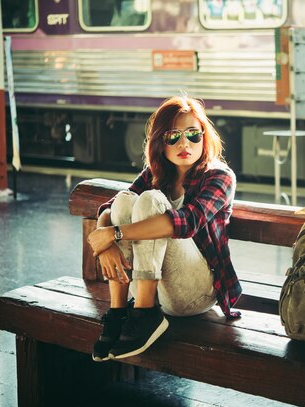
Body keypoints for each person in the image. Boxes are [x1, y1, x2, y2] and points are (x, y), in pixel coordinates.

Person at [87, 96, 242, 362]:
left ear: (205, 137)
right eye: (173, 136)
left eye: (193, 134)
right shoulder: (155, 174)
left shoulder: (219, 176)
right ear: (161, 141)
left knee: (151, 200)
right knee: (126, 200)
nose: (184, 143)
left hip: (196, 292)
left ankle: (146, 313)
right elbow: (111, 209)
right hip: (156, 289)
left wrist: (114, 235)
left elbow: (187, 223)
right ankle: (119, 312)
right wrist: (105, 243)